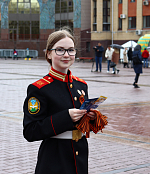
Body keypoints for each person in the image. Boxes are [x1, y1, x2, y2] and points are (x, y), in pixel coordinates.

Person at [23, 28, 97, 174]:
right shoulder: (39, 89)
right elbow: (30, 131)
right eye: (60, 50)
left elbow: (82, 126)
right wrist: (66, 117)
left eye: (71, 50)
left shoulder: (81, 85)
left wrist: (92, 119)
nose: (66, 55)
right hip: (55, 158)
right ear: (49, 53)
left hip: (80, 155)